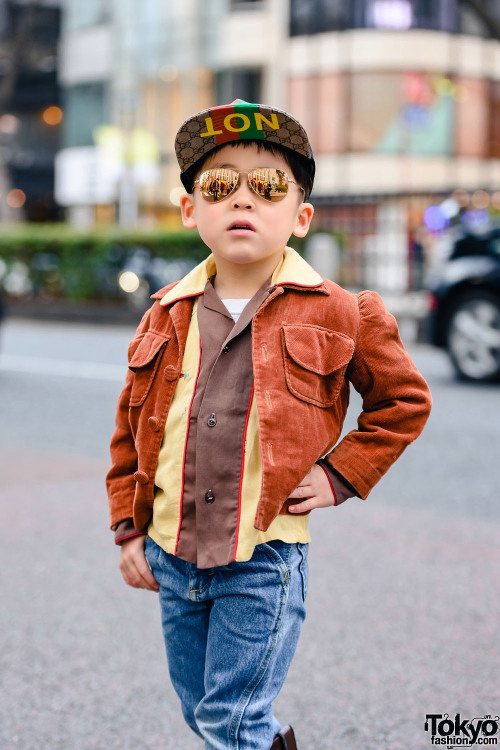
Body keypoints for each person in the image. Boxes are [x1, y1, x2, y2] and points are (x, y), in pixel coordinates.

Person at [106, 99, 432, 750]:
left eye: (268, 186)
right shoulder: (164, 315)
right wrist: (127, 530)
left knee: (229, 720)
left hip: (262, 558)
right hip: (172, 554)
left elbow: (404, 400)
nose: (243, 201)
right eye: (220, 186)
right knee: (205, 710)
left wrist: (341, 472)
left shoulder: (344, 312)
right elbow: (130, 432)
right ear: (190, 211)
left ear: (301, 215)